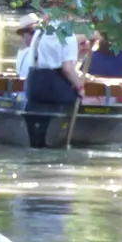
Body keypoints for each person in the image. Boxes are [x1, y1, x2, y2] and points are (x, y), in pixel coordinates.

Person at [20, 15, 84, 148]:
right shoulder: (67, 34)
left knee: (36, 123)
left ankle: (36, 144)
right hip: (54, 85)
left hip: (34, 83)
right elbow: (67, 68)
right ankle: (63, 140)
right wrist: (79, 87)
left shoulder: (40, 31)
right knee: (78, 100)